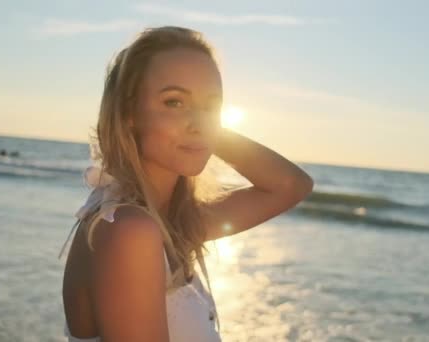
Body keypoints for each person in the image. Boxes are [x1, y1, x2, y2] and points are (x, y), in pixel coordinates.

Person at [59, 26, 313, 342]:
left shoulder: (171, 224)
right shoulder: (129, 230)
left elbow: (291, 185)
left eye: (211, 105)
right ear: (129, 114)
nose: (199, 121)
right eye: (174, 102)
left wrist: (203, 128)